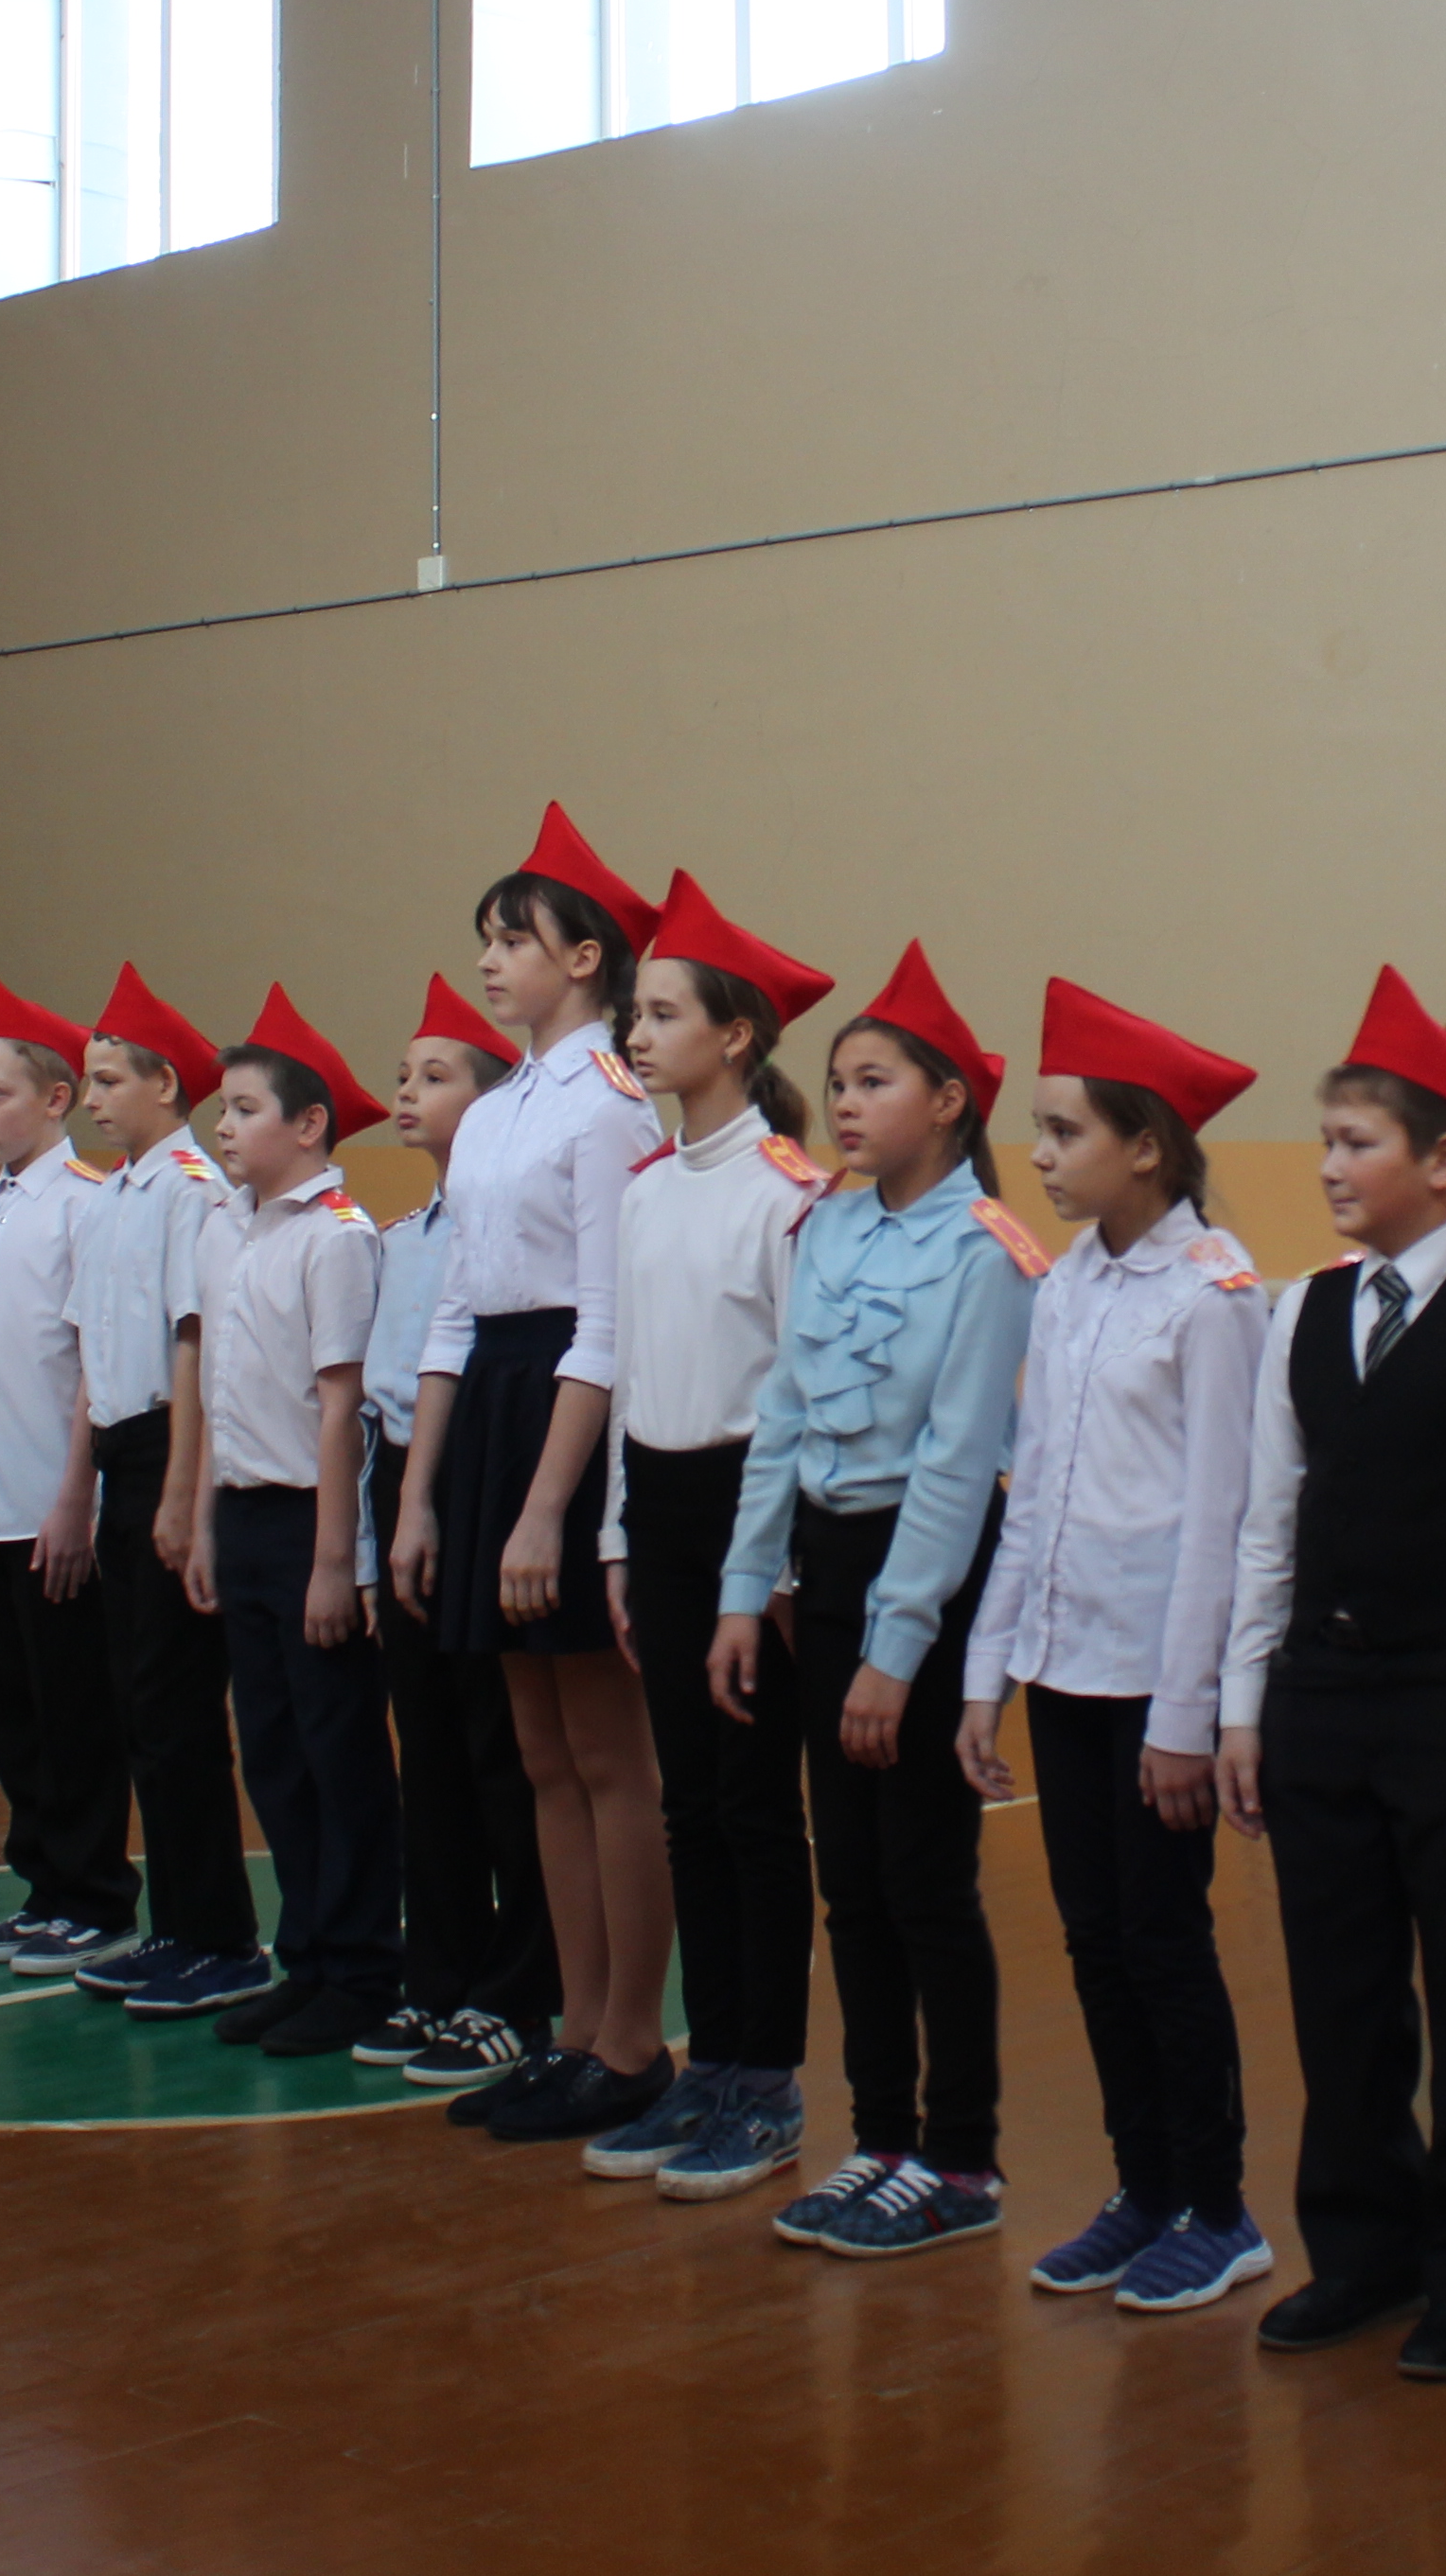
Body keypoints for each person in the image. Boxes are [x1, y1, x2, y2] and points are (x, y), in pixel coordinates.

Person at [1216, 971, 1446, 2385]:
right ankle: (1365, 2250)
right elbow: (1268, 1528)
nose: (1328, 1166)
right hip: (1323, 1700)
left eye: (1357, 1143)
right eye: (1326, 1141)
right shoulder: (1304, 1308)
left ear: (1444, 1162)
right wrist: (1246, 1709)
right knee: (1342, 1996)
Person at [958, 977, 1273, 2314]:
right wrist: (987, 1675)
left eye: (1065, 1131)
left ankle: (1218, 2204)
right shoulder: (1071, 1284)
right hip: (1065, 1667)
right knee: (1093, 1939)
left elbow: (1221, 1522)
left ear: (1147, 1145)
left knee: (1163, 1940)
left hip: (1156, 1683)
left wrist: (1188, 1716)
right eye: (1038, 1128)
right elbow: (1031, 1490)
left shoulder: (1214, 1297)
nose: (1038, 1154)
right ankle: (1142, 2188)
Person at [717, 944, 1037, 2256]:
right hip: (831, 1568)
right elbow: (782, 1420)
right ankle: (880, 2139)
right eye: (838, 1083)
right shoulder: (830, 1225)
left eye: (874, 1083)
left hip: (929, 1572)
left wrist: (897, 1652)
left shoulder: (988, 1251)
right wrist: (745, 1591)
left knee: (923, 1881)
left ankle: (961, 2158)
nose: (844, 1106)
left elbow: (960, 1463)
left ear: (948, 1101)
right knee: (847, 1879)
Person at [391, 805, 674, 2143]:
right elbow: (453, 1313)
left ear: (586, 957)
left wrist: (549, 1507)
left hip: (567, 1413)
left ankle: (633, 2039)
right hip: (491, 1414)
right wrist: (419, 1495)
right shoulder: (499, 1110)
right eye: (487, 941)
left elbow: (604, 1324)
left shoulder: (611, 1106)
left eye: (514, 939)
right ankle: (571, 2029)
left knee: (608, 1751)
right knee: (540, 1749)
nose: (492, 962)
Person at [592, 876, 833, 2196]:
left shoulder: (789, 1192)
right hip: (662, 1505)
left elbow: (802, 1392)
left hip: (753, 1518)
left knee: (754, 1809)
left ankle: (769, 2082)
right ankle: (713, 2061)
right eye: (635, 1013)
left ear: (735, 1035)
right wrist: (619, 1540)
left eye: (664, 1013)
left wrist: (777, 1570)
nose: (638, 1034)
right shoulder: (645, 1190)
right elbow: (629, 1373)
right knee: (688, 1803)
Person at [173, 986, 409, 2057]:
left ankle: (361, 1968)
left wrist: (333, 1561)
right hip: (244, 1517)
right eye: (221, 1109)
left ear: (309, 1124)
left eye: (244, 1109)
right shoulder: (227, 1230)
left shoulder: (336, 1239)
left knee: (337, 1751)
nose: (223, 1127)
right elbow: (218, 1393)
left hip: (312, 1524)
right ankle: (305, 1956)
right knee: (270, 1751)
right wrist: (207, 1525)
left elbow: (341, 1408)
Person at [356, 974, 557, 2081]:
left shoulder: (508, 1235)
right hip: (406, 1486)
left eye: (435, 1076)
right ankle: (438, 1975)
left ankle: (518, 1990)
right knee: (425, 1747)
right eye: (403, 1074)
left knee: (500, 1749)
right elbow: (383, 1396)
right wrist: (394, 1515)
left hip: (487, 1479)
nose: (407, 1092)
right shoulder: (400, 1238)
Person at [65, 964, 270, 2021]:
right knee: (139, 1704)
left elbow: (193, 1343)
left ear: (165, 1086)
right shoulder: (116, 1192)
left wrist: (180, 1495)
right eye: (90, 1079)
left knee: (178, 1705)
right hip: (120, 1450)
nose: (93, 1097)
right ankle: (177, 1924)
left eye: (110, 1080)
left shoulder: (190, 1189)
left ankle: (220, 1936)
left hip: (165, 1451)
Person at [0, 974, 136, 1975]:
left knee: (72, 1713)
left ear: (56, 1100)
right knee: (12, 1713)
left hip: (49, 1506)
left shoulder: (83, 1209)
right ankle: (43, 1886)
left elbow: (93, 1368)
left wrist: (74, 1501)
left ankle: (95, 1893)